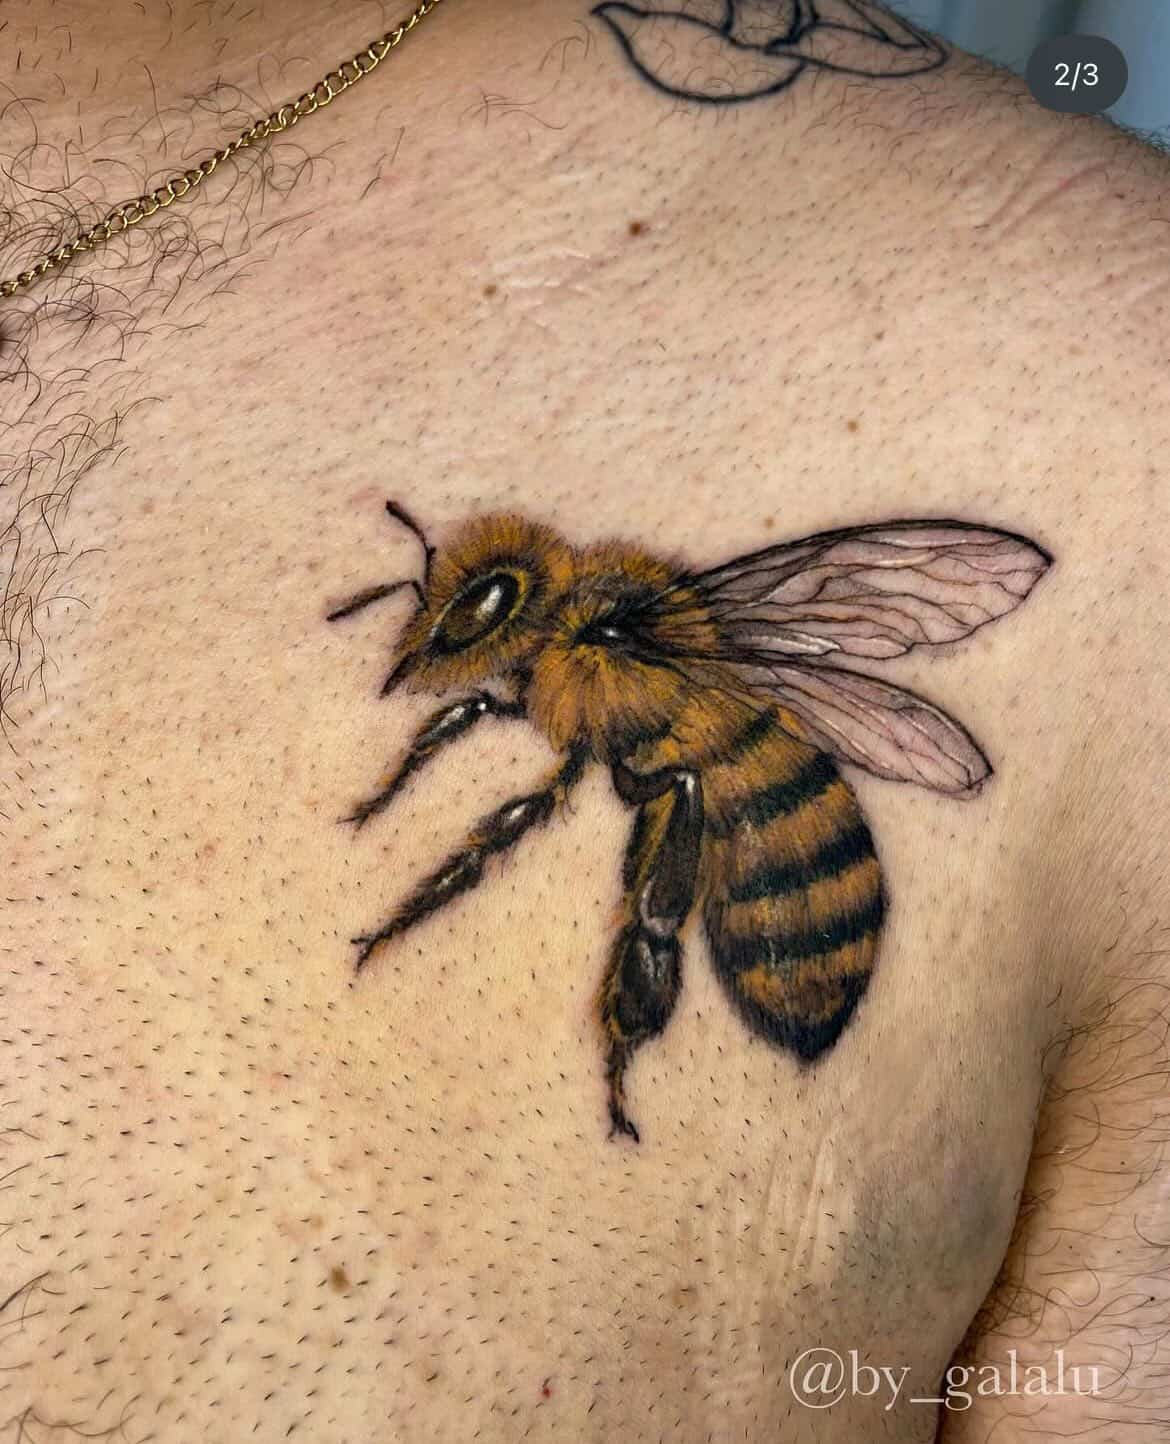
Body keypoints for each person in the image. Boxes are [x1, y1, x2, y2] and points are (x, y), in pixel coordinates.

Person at [3, 1, 1168, 1438]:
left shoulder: (1113, 398)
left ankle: (620, 1056)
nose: (443, 652)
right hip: (729, 776)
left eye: (468, 622)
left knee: (612, 860)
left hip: (771, 837)